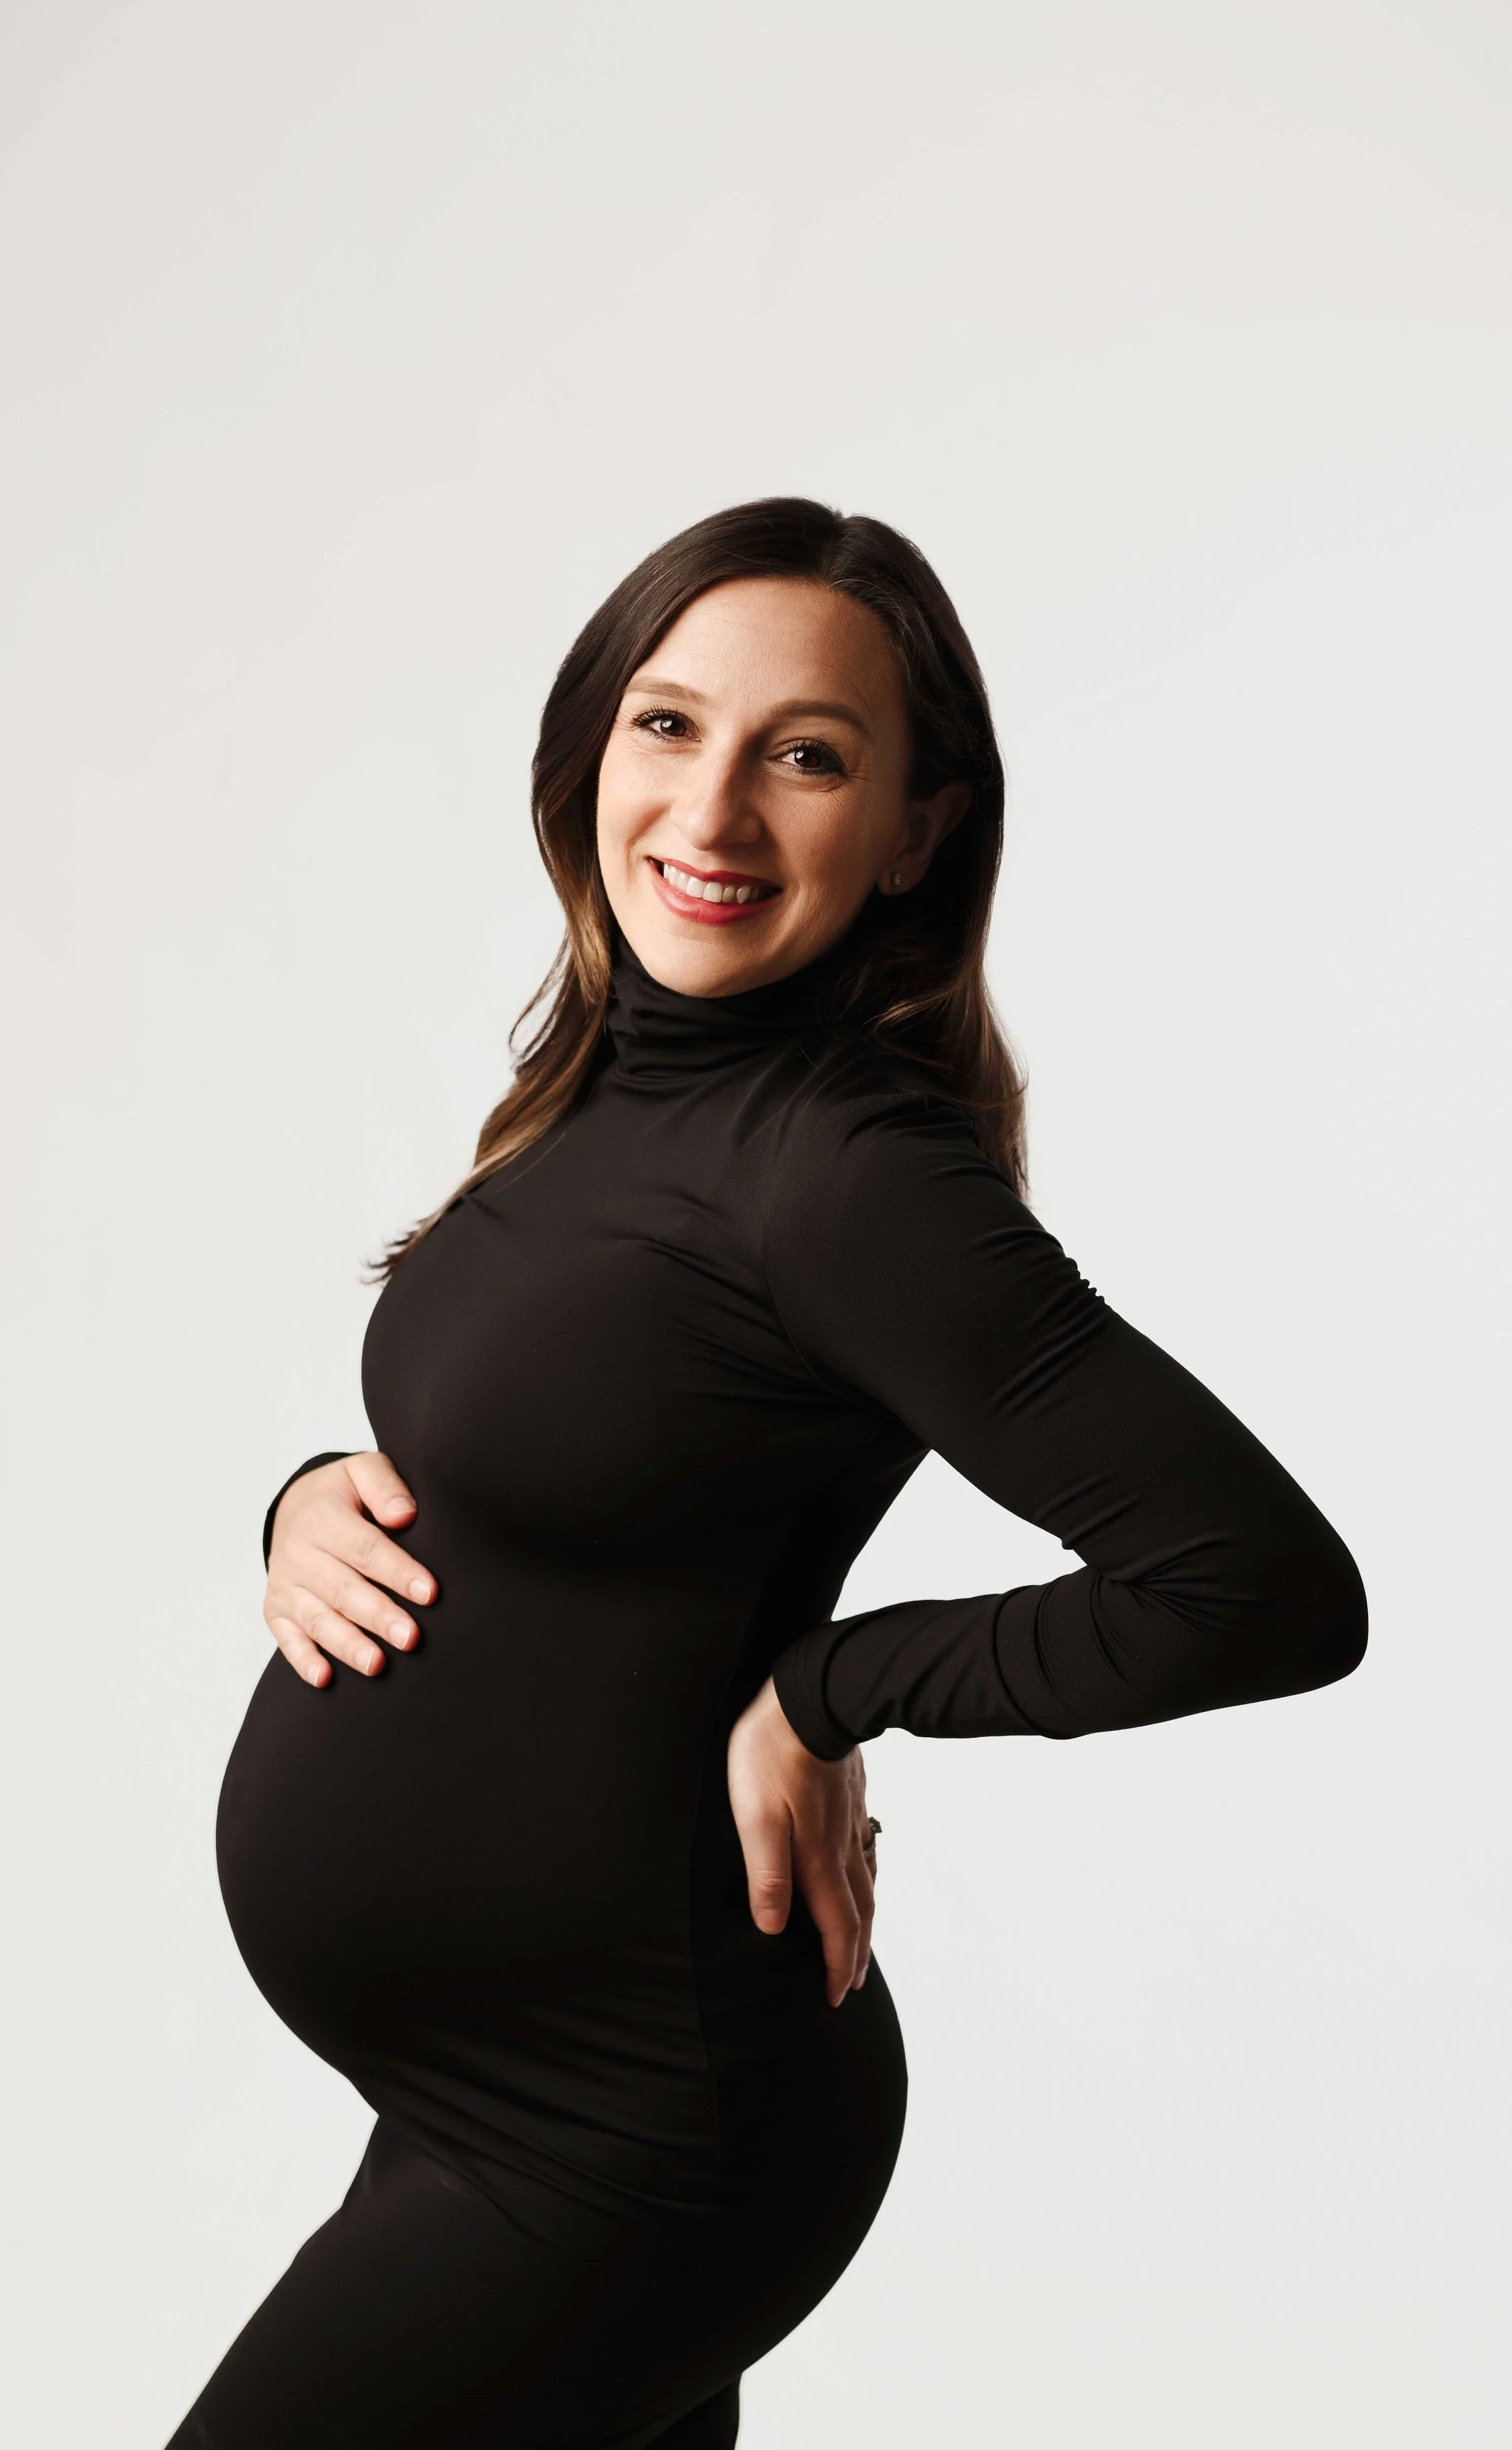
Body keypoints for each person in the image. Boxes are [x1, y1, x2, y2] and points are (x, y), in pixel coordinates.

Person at [167, 498, 1366, 2448]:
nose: (711, 812)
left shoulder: (849, 1174)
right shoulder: (608, 1088)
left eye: (804, 753)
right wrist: (313, 1493)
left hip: (625, 2125)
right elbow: (557, 1442)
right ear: (590, 751)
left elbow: (1259, 1583)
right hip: (507, 2101)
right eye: (667, 725)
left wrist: (837, 1682)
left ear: (912, 831)